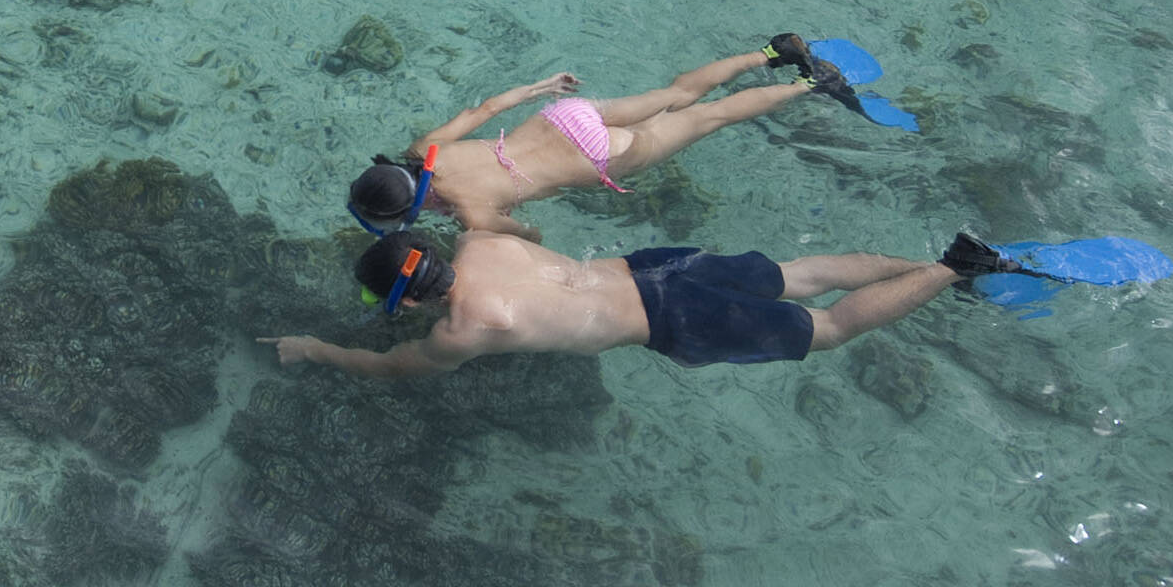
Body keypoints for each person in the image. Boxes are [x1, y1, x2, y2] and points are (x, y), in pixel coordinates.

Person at [259, 230, 1020, 378]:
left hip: (671, 320)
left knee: (829, 329)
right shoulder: (482, 241)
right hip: (653, 266)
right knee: (799, 274)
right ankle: (945, 259)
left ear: (407, 301)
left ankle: (952, 270)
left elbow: (393, 368)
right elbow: (528, 237)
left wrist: (315, 348)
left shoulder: (465, 329)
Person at [346, 35, 859, 243]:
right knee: (678, 93)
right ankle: (770, 53)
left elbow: (532, 237)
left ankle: (811, 84)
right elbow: (483, 110)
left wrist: (473, 239)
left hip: (594, 157)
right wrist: (539, 87)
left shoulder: (471, 213)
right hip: (564, 118)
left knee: (711, 117)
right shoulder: (425, 150)